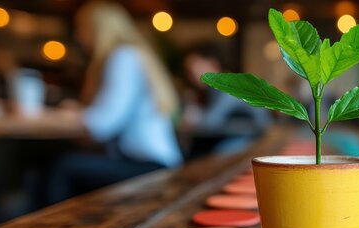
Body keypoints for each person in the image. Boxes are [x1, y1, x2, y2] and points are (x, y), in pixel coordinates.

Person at [48, 1, 182, 203]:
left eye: (81, 28)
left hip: (150, 166)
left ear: (97, 29)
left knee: (62, 166)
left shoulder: (123, 56)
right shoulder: (134, 53)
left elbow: (103, 123)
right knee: (67, 163)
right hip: (155, 163)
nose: (78, 36)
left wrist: (73, 114)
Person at [181, 45, 271, 156]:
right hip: (245, 139)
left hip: (253, 142)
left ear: (213, 65)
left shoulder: (228, 88)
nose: (190, 76)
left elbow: (210, 122)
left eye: (193, 69)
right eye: (188, 71)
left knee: (213, 153)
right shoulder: (214, 89)